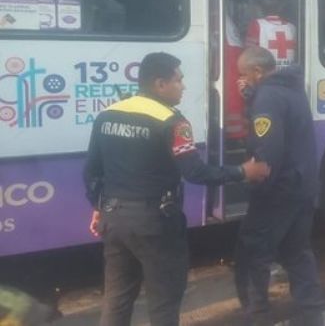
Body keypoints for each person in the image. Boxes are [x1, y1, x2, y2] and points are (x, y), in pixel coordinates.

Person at [83, 52, 270, 326]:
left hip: (114, 220)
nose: (183, 86)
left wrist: (99, 208)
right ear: (160, 84)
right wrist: (243, 171)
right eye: (179, 80)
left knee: (117, 299)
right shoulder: (172, 121)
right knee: (163, 302)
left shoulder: (107, 115)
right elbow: (195, 171)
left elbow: (91, 171)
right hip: (155, 224)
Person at [234, 46, 324, 326]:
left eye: (244, 74)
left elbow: (268, 149)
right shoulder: (291, 87)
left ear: (258, 71)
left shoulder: (268, 95)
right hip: (303, 185)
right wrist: (251, 98)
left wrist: (259, 189)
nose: (242, 80)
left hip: (279, 191)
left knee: (252, 255)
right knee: (297, 253)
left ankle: (256, 317)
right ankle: (312, 317)